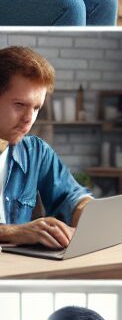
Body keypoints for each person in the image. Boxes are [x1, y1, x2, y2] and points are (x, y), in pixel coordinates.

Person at [0, 46, 93, 253]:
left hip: (21, 268)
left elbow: (72, 197)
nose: (28, 119)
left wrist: (86, 212)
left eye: (36, 108)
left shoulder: (36, 152)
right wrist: (11, 232)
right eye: (19, 105)